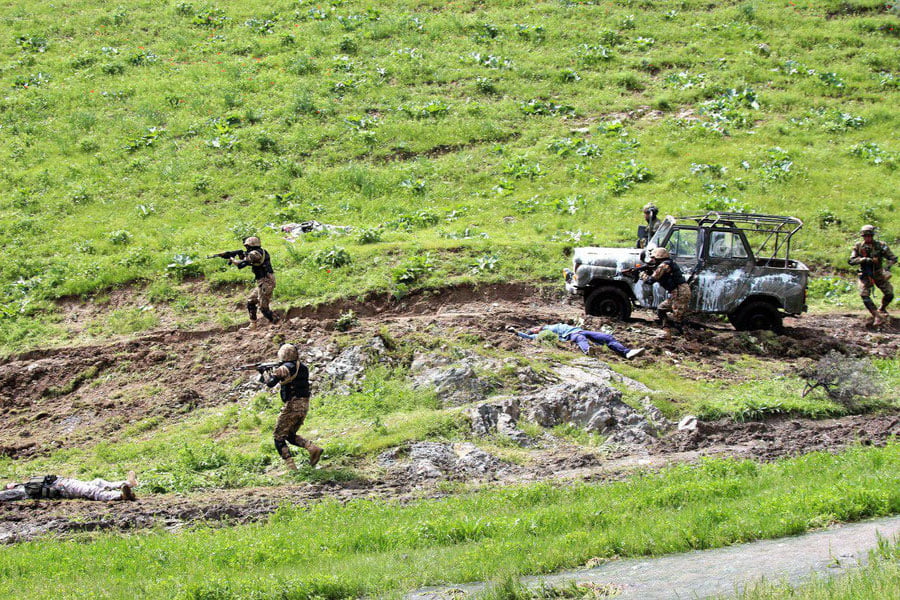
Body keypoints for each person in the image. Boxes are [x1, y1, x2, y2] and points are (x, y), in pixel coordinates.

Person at [263, 343, 323, 472]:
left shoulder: (283, 369)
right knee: (289, 435)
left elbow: (270, 384)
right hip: (304, 405)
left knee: (278, 437)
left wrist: (264, 373)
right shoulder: (302, 367)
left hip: (292, 406)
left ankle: (292, 469)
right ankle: (313, 448)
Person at [509, 323, 645, 359]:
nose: (534, 329)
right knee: (580, 339)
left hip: (580, 329)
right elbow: (529, 337)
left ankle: (627, 352)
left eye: (534, 327)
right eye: (532, 330)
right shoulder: (544, 333)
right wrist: (517, 332)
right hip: (572, 335)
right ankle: (587, 351)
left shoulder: (550, 325)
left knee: (607, 337)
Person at [849, 225, 896, 327]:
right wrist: (864, 259)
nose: (868, 238)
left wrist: (887, 268)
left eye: (869, 236)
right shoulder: (858, 246)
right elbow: (851, 260)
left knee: (889, 294)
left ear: (873, 235)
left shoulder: (880, 246)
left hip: (878, 273)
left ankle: (882, 308)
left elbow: (893, 258)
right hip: (865, 274)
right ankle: (876, 315)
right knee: (864, 294)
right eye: (865, 236)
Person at [228, 236, 278, 329]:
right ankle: (253, 325)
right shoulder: (260, 251)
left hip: (266, 282)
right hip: (262, 282)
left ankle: (278, 323)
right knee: (251, 301)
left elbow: (241, 264)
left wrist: (232, 259)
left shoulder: (255, 254)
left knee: (264, 309)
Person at [641, 247, 692, 332]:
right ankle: (666, 327)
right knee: (661, 309)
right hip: (677, 292)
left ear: (658, 257)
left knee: (677, 318)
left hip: (680, 292)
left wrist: (642, 275)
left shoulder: (664, 265)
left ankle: (682, 335)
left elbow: (651, 280)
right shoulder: (667, 264)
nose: (652, 260)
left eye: (654, 258)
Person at [1, 471, 137, 502]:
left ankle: (127, 484)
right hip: (63, 489)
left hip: (65, 481)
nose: (11, 483)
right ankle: (120, 496)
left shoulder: (26, 484)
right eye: (9, 485)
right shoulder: (22, 491)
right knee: (90, 490)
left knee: (97, 482)